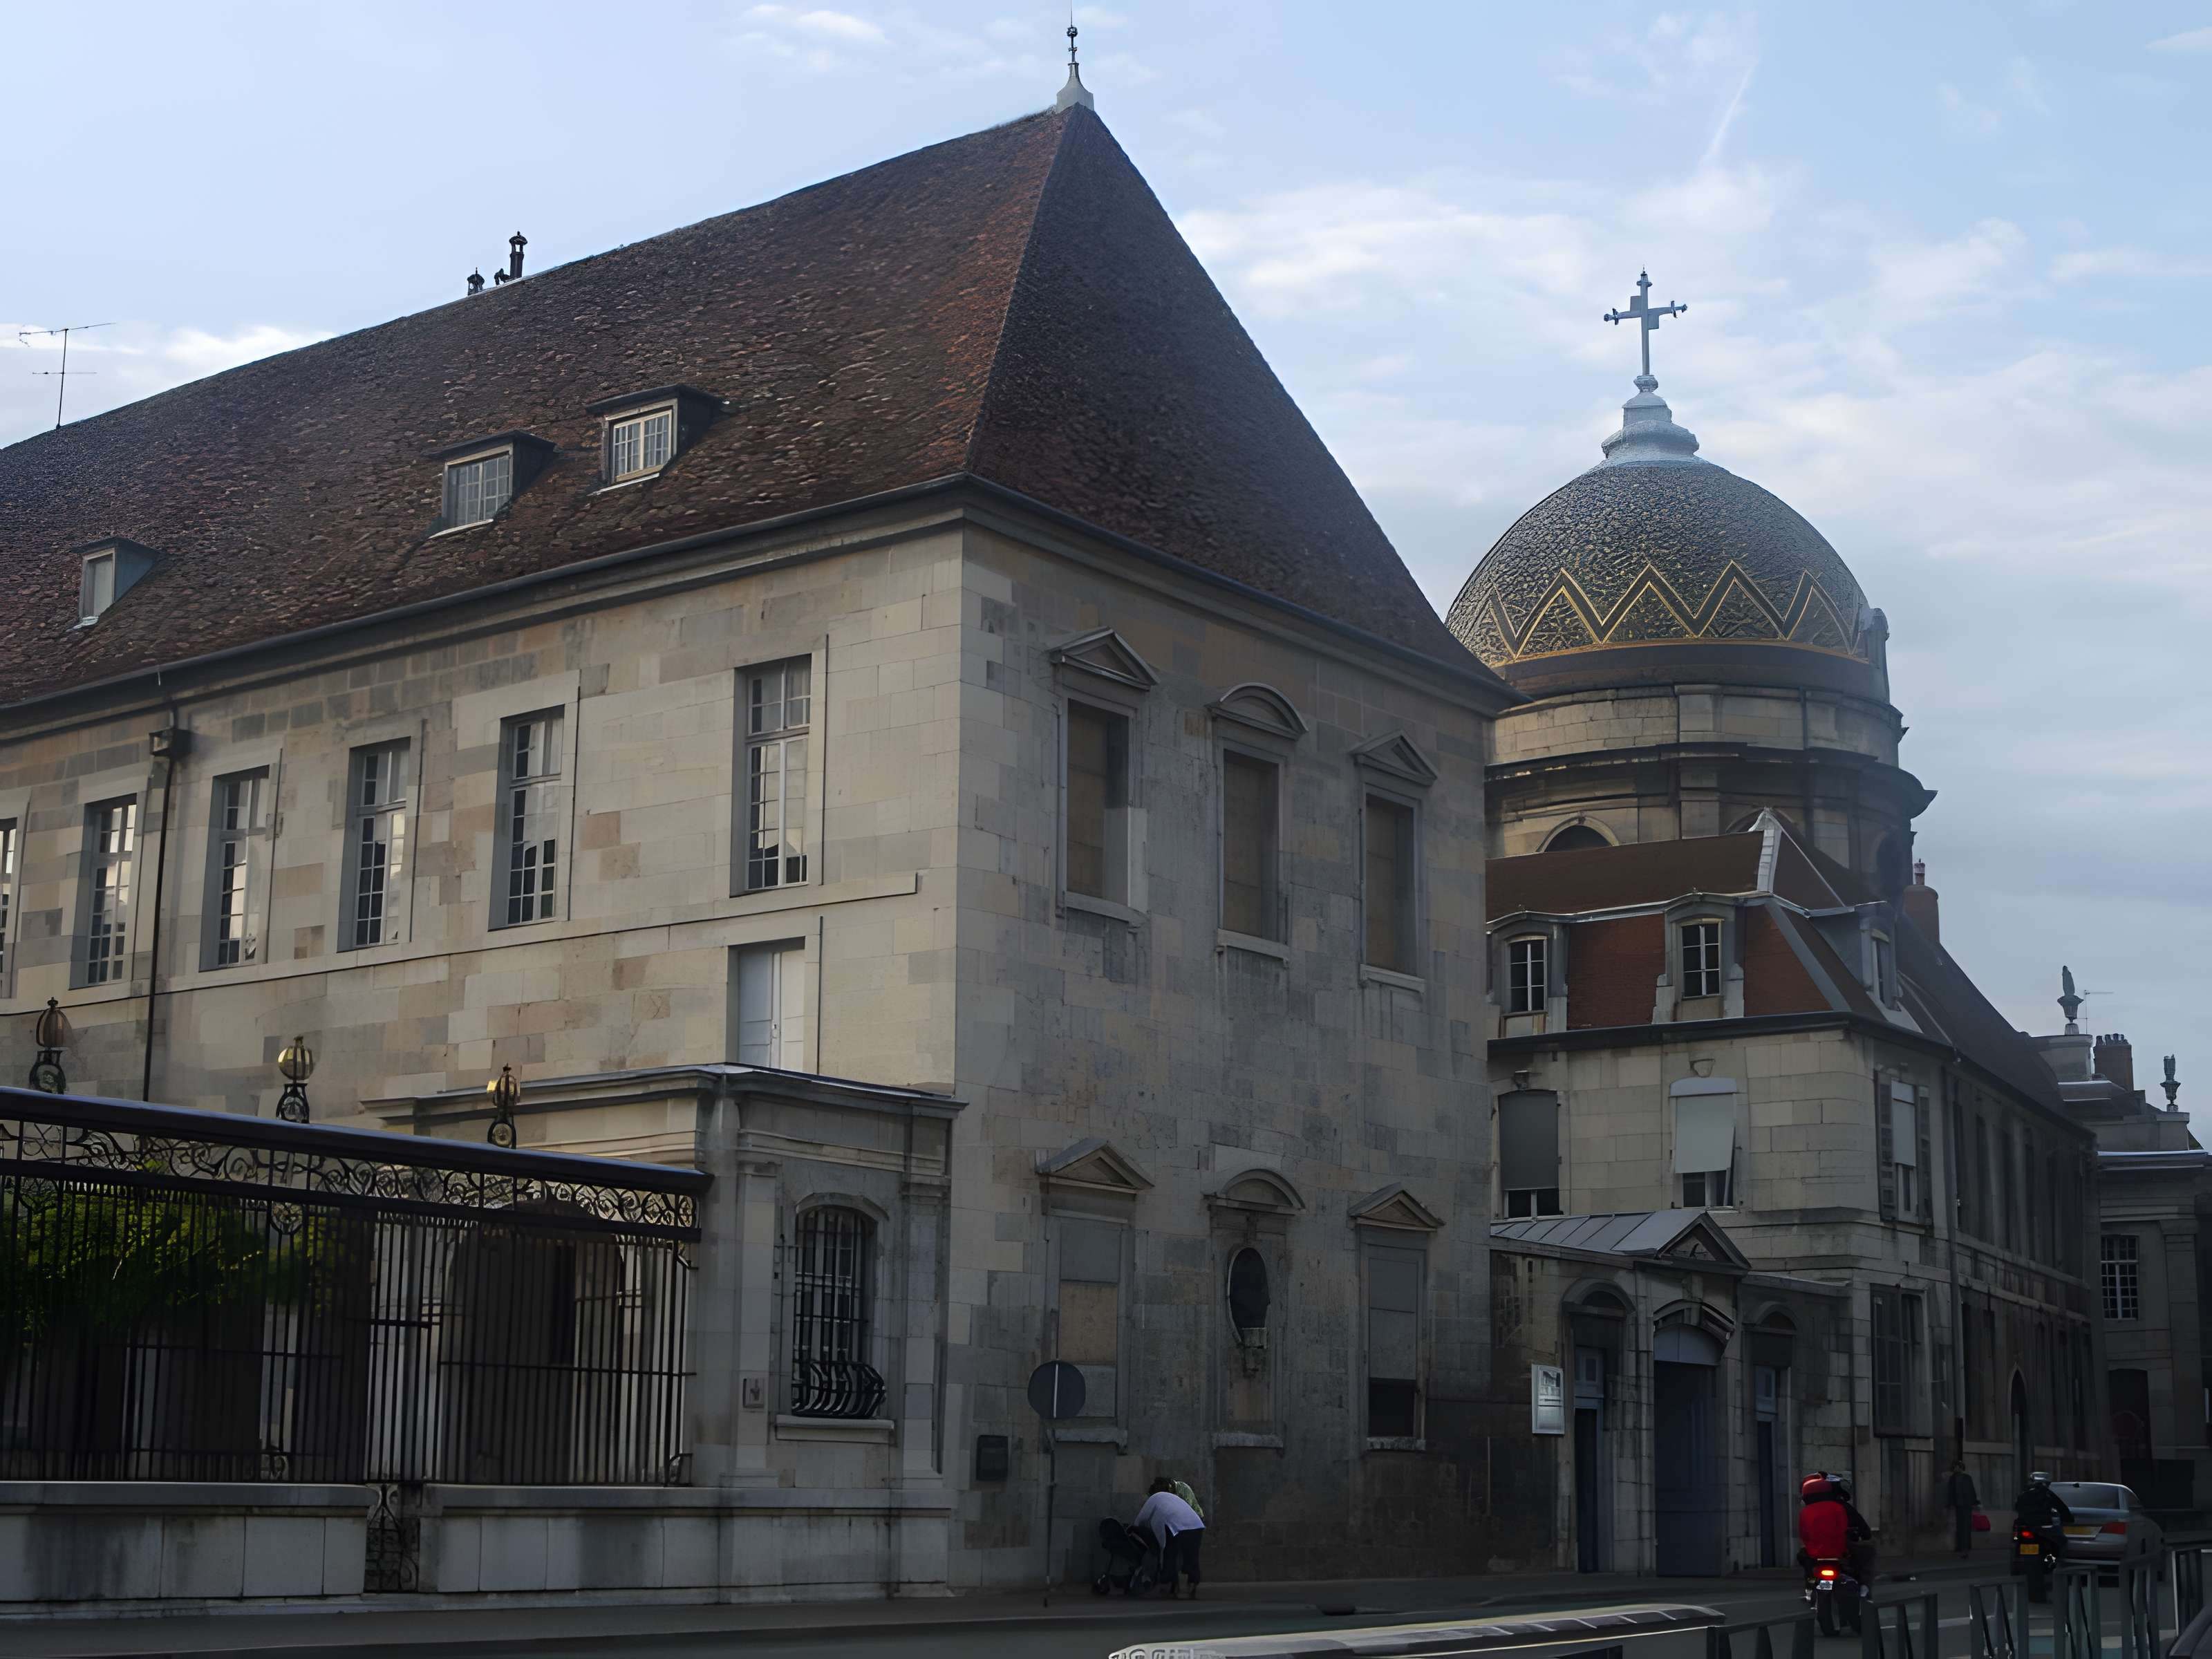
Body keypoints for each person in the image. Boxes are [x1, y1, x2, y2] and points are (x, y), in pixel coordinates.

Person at [1797, 1473, 1875, 1594]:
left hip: (1816, 1550)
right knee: (1868, 1552)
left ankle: (1811, 1586)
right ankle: (1864, 1587)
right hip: (1839, 1547)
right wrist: (1863, 1535)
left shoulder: (1807, 1511)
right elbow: (1860, 1528)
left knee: (1806, 1560)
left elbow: (1803, 1533)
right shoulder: (1841, 1507)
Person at [1132, 1476, 1206, 1598]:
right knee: (1192, 1557)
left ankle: (1170, 1584)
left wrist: (1133, 1529)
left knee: (1170, 1555)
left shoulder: (1153, 1499)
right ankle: (1192, 1585)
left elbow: (1140, 1521)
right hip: (1196, 1525)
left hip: (1177, 1527)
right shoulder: (1174, 1497)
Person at [1947, 1461, 1980, 1557]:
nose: (1955, 1469)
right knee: (1960, 1527)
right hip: (1959, 1506)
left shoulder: (1967, 1478)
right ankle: (1961, 1546)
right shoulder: (1953, 1479)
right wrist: (1950, 1504)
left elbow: (1971, 1491)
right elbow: (1951, 1493)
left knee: (1965, 1527)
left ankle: (1965, 1548)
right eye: (1955, 1467)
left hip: (1966, 1506)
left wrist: (1975, 1503)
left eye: (1957, 1467)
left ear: (1960, 1468)